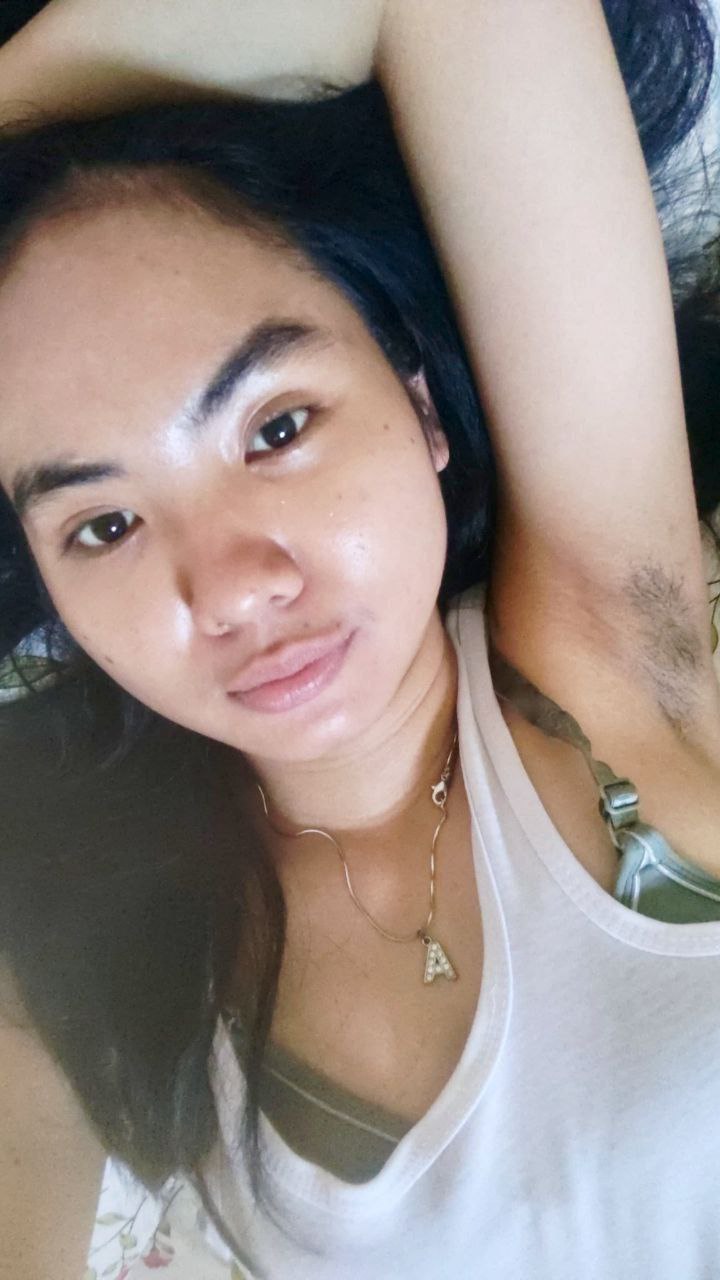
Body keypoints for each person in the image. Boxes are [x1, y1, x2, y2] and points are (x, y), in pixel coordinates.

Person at [1, 3, 720, 1278]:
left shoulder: (614, 660)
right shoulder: (76, 941)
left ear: (419, 403)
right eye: (103, 524)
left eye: (276, 428)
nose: (233, 590)